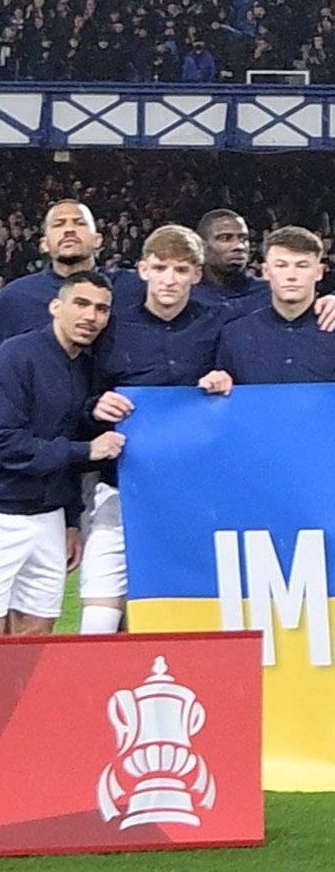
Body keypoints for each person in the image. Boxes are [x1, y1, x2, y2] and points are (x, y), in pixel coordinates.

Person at [79, 227, 224, 633]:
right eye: (160, 267)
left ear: (196, 274)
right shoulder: (112, 329)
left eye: (180, 269)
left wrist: (225, 381)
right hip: (121, 486)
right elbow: (80, 394)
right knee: (99, 616)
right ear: (143, 269)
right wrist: (96, 406)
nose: (169, 279)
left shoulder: (220, 324)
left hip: (193, 489)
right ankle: (90, 689)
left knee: (185, 606)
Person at [0, 272, 120, 637]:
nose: (91, 316)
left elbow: (68, 435)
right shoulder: (14, 356)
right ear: (56, 306)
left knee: (38, 630)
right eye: (81, 304)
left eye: (101, 309)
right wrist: (87, 450)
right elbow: (6, 442)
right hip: (5, 512)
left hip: (51, 517)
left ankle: (25, 699)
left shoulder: (87, 366)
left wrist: (70, 520)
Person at [201, 228, 335, 391]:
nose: (292, 275)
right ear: (266, 272)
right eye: (282, 265)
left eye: (302, 265)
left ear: (319, 272)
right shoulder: (236, 335)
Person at [0, 199, 108, 338]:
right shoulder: (15, 297)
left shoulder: (131, 289)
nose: (69, 230)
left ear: (97, 240)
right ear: (44, 244)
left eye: (80, 223)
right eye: (58, 225)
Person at [198, 207, 270, 317]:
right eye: (225, 238)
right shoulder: (185, 296)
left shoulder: (268, 294)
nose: (239, 246)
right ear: (203, 246)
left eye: (243, 238)